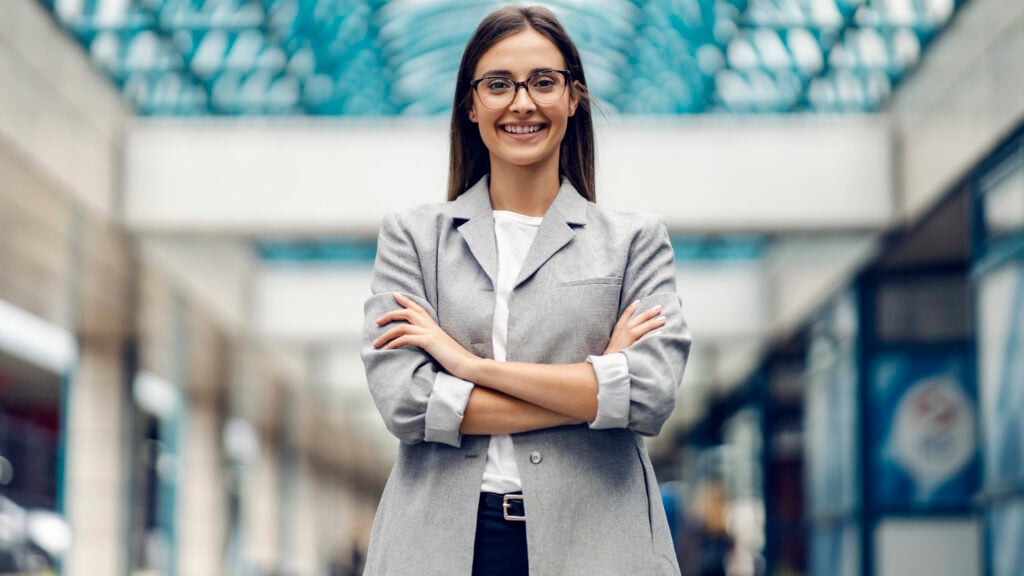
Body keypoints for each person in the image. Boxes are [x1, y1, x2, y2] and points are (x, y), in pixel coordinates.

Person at [360, 6, 691, 575]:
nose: (522, 103)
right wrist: (592, 388)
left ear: (573, 97)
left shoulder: (635, 241)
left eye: (544, 82)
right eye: (498, 85)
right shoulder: (413, 239)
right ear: (471, 104)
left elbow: (648, 394)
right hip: (441, 545)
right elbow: (407, 403)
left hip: (597, 544)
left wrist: (466, 365)